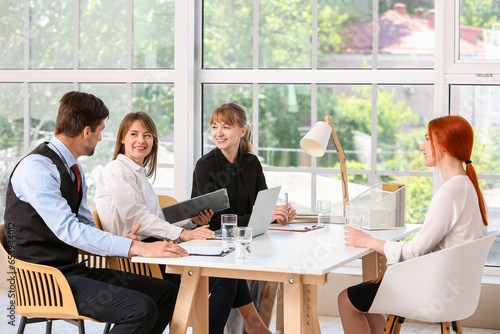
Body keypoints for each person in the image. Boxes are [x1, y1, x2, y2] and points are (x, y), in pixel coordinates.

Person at [3, 91, 189, 334]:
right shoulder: (37, 167)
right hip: (44, 281)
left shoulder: (73, 168)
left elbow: (84, 225)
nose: (101, 138)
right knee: (140, 308)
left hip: (71, 272)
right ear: (86, 131)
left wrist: (121, 242)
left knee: (166, 292)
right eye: (100, 130)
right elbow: (69, 230)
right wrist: (138, 247)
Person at [338, 115, 488, 334]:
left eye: (427, 139)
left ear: (444, 145)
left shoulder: (451, 191)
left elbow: (415, 250)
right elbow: (435, 251)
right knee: (370, 300)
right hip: (454, 290)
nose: (421, 146)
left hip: (433, 292)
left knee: (346, 300)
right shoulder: (467, 186)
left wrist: (368, 241)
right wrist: (396, 271)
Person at [191, 102, 297, 334]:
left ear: (242, 131)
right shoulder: (205, 166)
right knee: (232, 272)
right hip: (215, 244)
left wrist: (278, 214)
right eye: (214, 127)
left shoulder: (251, 163)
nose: (218, 133)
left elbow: (262, 206)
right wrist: (264, 217)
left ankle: (255, 326)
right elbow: (214, 222)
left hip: (250, 241)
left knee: (277, 265)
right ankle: (255, 325)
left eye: (226, 127)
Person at [95, 111, 215, 245]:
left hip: (151, 245)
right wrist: (183, 234)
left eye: (147, 135)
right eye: (134, 134)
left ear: (153, 141)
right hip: (132, 255)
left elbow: (157, 219)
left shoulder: (137, 172)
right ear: (122, 139)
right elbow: (137, 219)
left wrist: (191, 221)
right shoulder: (117, 171)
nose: (141, 140)